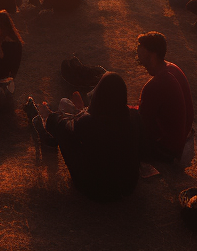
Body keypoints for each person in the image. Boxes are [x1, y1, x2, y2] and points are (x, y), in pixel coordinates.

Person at [26, 72, 141, 202]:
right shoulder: (134, 117)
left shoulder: (90, 123)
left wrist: (50, 116)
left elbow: (65, 126)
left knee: (65, 131)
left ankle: (45, 124)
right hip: (128, 186)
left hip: (95, 189)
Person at [135, 32, 193, 164]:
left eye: (141, 56)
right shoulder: (173, 69)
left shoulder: (155, 85)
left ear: (153, 55)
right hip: (185, 138)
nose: (140, 61)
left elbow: (142, 126)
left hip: (169, 149)